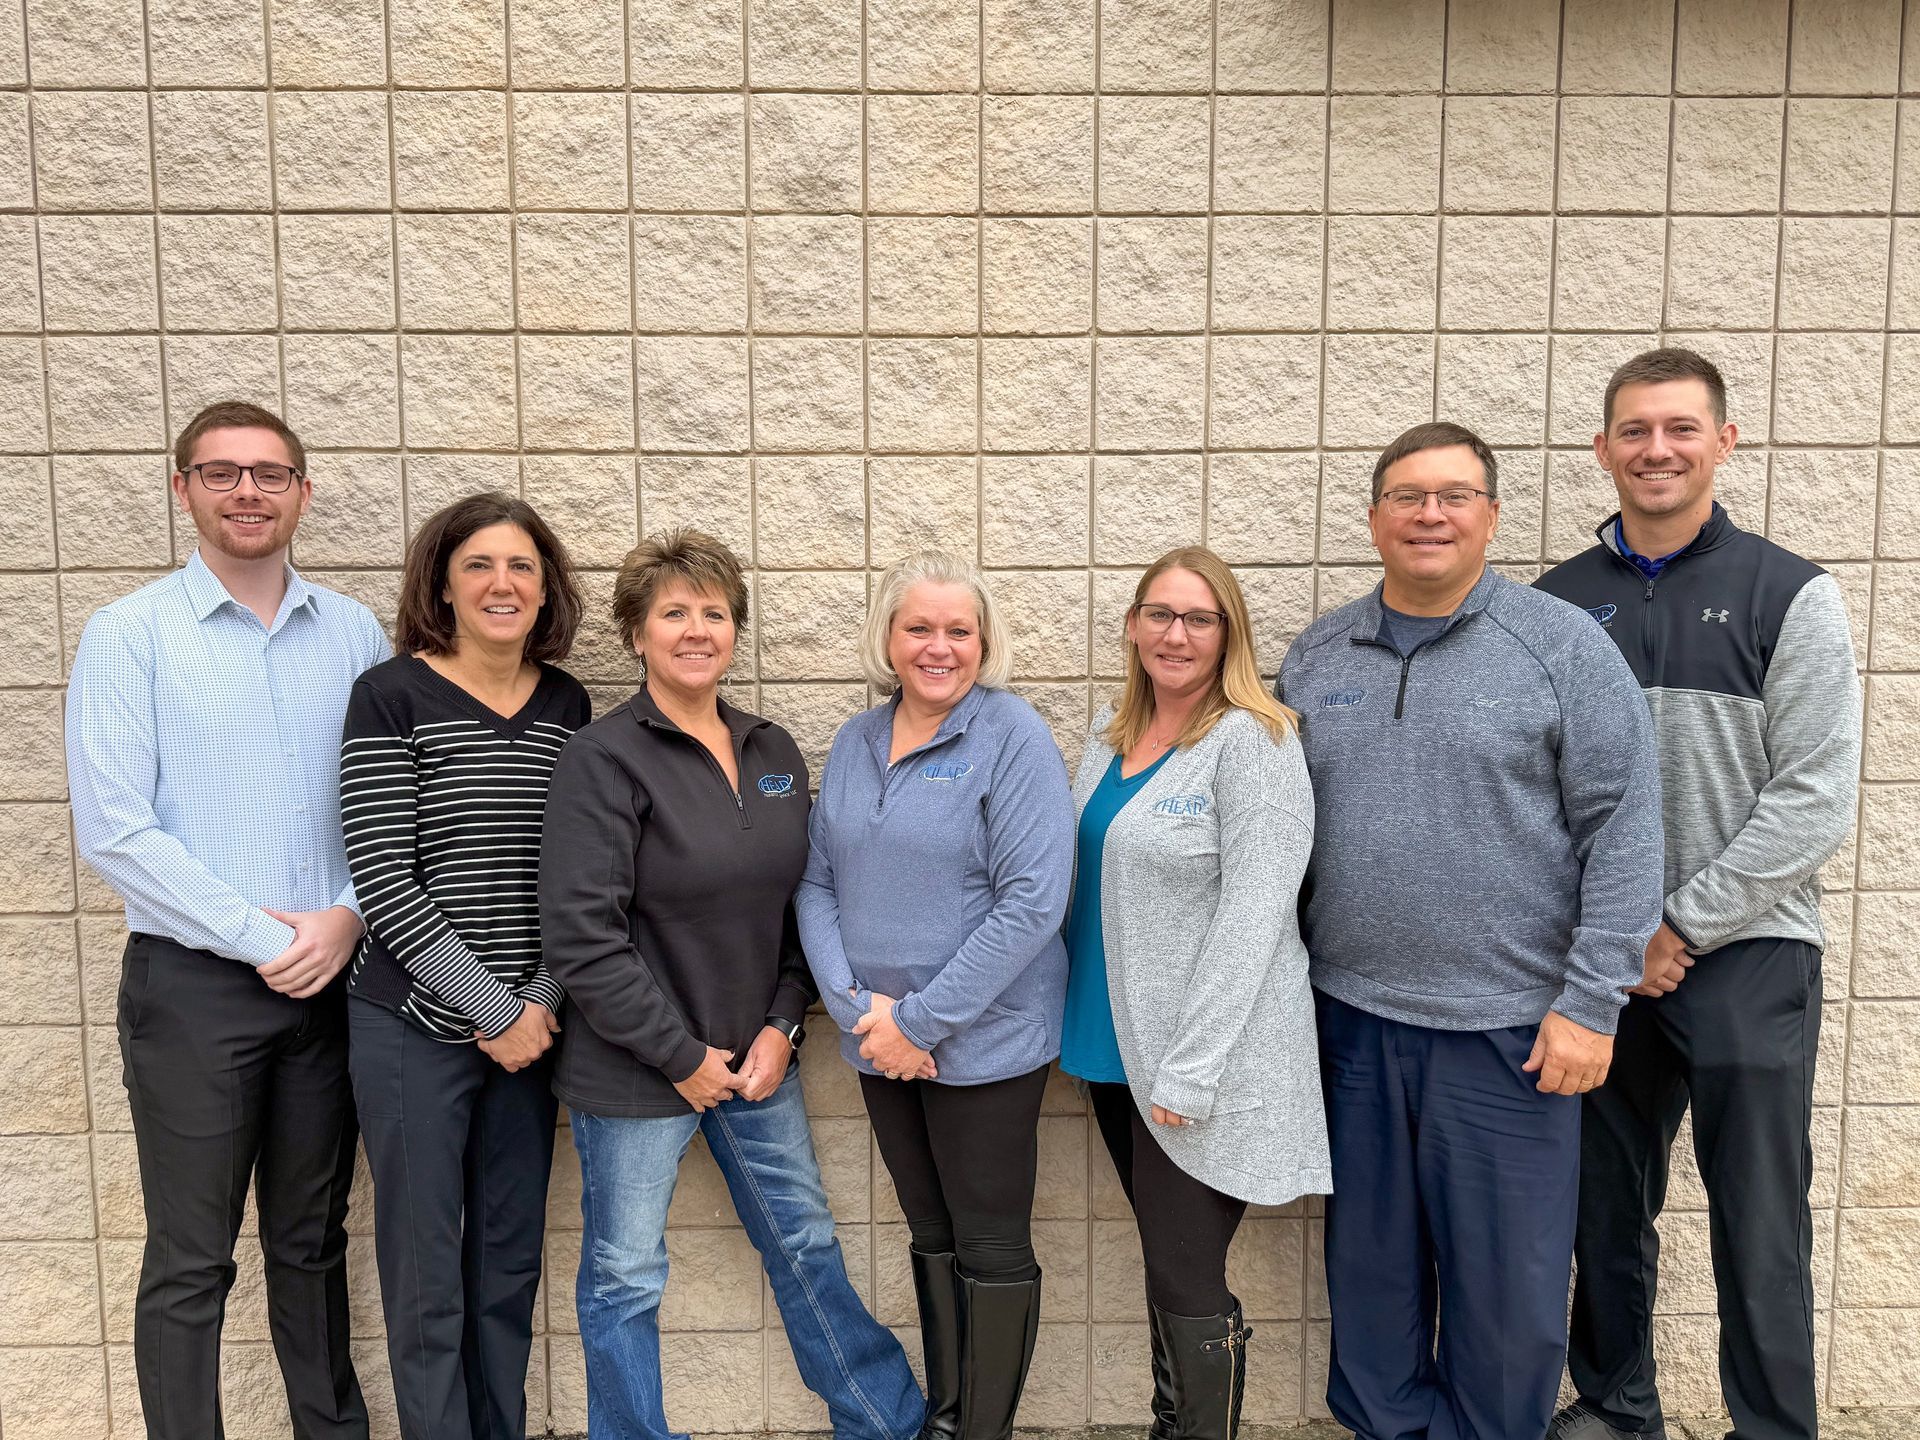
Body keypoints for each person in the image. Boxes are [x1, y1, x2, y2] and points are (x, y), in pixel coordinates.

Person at [1276, 421, 1665, 1440]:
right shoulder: (1318, 655)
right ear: (1373, 520)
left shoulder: (1560, 646)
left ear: (1490, 517)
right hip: (1351, 1024)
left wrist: (1592, 1002)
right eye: (1408, 495)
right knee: (1370, 1280)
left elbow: (1626, 827)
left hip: (1512, 1034)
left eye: (1454, 495)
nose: (1430, 513)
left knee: (1506, 1298)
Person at [1537, 348, 1861, 1440]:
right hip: (1604, 965)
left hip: (1751, 954)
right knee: (1603, 1207)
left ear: (1724, 441)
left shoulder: (1791, 592)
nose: (1657, 449)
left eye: (1680, 428)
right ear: (1603, 451)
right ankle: (1620, 1408)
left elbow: (1816, 796)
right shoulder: (1553, 606)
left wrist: (1681, 923)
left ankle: (1772, 1426)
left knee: (1759, 1219)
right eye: (1635, 430)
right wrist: (1616, 937)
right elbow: (1530, 792)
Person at [539, 528, 923, 1440]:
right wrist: (679, 1057)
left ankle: (885, 1421)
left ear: (734, 631)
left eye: (714, 612)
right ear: (637, 633)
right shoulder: (604, 758)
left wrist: (784, 1025)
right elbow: (582, 937)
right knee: (625, 1279)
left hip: (758, 1063)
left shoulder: (771, 749)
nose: (696, 629)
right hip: (639, 1073)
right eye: (674, 612)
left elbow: (802, 904)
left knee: (806, 1246)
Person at [66, 400, 388, 1439]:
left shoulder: (353, 630)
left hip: (334, 980)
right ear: (183, 490)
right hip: (195, 990)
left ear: (303, 490)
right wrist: (266, 939)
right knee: (191, 1258)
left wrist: (341, 922)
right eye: (220, 473)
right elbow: (117, 830)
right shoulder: (131, 634)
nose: (246, 490)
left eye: (268, 473)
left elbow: (387, 802)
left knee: (311, 1240)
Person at [796, 550, 1074, 1440]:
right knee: (930, 1234)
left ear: (983, 641)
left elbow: (1034, 900)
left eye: (959, 630)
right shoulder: (854, 740)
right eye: (920, 626)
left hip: (984, 1044)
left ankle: (979, 1430)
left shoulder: (1011, 734)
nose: (939, 647)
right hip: (878, 1042)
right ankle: (948, 1416)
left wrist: (918, 1022)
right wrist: (859, 1013)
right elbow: (815, 884)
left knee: (988, 1244)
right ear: (889, 636)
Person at [1062, 545, 1330, 1440]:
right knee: (1166, 1264)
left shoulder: (1255, 741)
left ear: (1229, 636)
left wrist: (1192, 1070)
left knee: (1185, 1274)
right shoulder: (1109, 735)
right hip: (1111, 1047)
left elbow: (1258, 916)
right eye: (1160, 615)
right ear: (1134, 626)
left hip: (1198, 1063)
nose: (1176, 635)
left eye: (1199, 618)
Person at [338, 493, 589, 1439]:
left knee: (507, 1260)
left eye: (521, 566)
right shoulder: (389, 694)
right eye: (479, 564)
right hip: (412, 1024)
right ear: (441, 582)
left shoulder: (567, 704)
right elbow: (381, 876)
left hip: (535, 1024)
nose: (501, 583)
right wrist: (488, 1006)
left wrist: (539, 1000)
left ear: (544, 588)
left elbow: (580, 873)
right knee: (425, 1266)